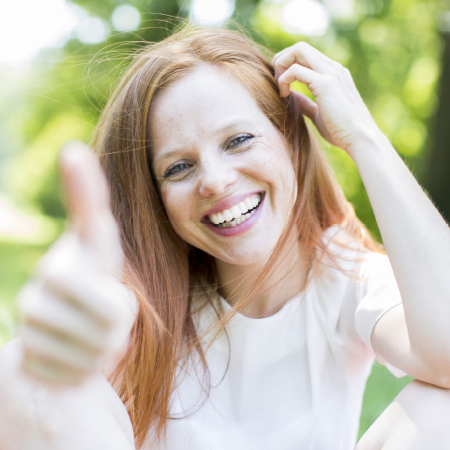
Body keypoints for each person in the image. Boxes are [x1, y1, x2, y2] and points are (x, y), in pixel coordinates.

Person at [1, 25, 450, 450]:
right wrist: (64, 332)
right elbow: (90, 329)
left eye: (238, 140)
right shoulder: (146, 297)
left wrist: (364, 138)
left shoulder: (346, 275)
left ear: (291, 139)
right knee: (19, 374)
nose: (214, 181)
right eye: (178, 167)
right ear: (156, 198)